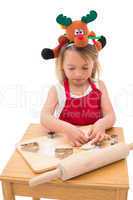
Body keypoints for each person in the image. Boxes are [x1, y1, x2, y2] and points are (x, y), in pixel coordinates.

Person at [40, 43, 116, 147]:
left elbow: (110, 115)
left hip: (94, 143)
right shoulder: (57, 90)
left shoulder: (99, 86)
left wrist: (101, 124)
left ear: (93, 65)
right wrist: (66, 129)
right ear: (62, 66)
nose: (78, 74)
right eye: (71, 68)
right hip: (67, 144)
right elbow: (45, 117)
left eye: (85, 68)